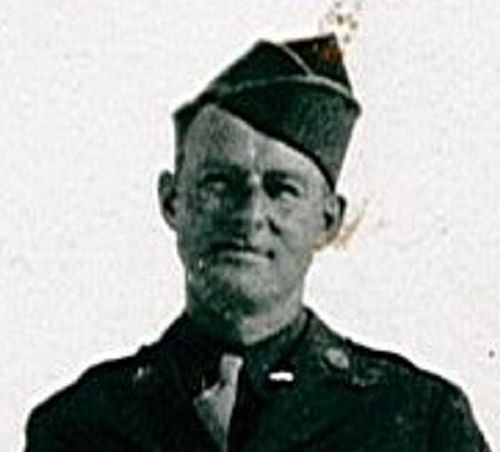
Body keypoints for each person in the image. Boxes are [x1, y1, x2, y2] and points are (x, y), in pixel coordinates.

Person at [24, 34, 490, 452]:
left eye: (281, 189)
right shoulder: (81, 426)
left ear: (329, 220)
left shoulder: (417, 421)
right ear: (171, 202)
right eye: (219, 183)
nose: (248, 216)